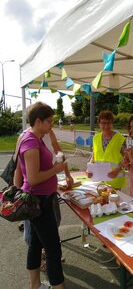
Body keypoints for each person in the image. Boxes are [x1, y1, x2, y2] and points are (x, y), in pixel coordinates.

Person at [14, 102, 66, 289]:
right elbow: (34, 178)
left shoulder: (34, 138)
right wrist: (56, 169)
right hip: (39, 202)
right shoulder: (30, 141)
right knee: (53, 250)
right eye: (50, 121)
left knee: (36, 245)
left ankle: (34, 286)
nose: (52, 125)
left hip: (39, 200)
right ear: (38, 121)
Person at [87, 110, 126, 189]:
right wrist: (89, 169)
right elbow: (94, 155)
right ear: (99, 124)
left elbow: (126, 159)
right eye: (103, 123)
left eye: (109, 123)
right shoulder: (96, 138)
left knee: (113, 201)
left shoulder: (120, 139)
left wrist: (117, 170)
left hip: (115, 179)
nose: (106, 126)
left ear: (112, 123)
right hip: (99, 180)